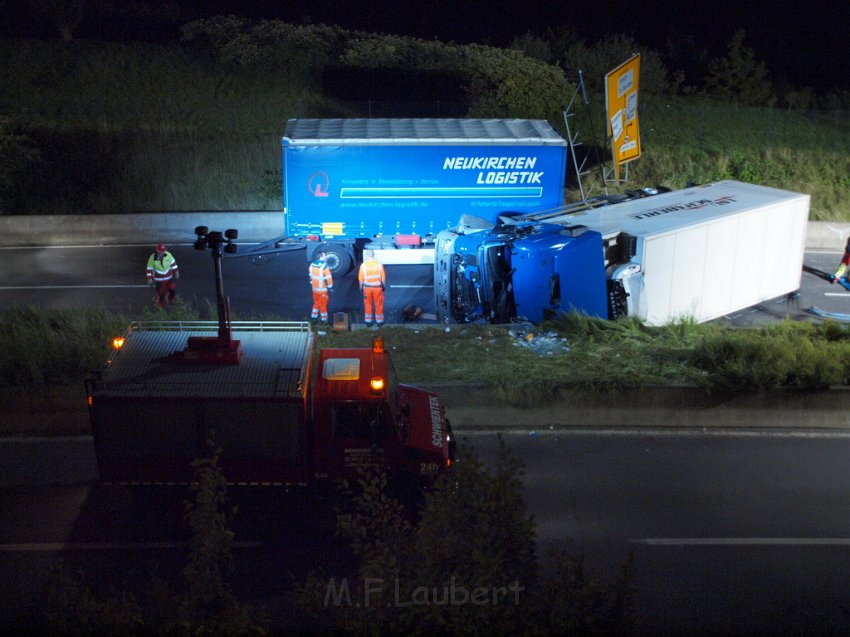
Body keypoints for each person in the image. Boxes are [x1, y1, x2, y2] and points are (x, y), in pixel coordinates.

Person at [358, 249, 386, 327]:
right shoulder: (379, 265)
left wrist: (361, 288)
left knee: (368, 304)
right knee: (379, 304)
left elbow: (361, 279)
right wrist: (383, 287)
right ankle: (379, 321)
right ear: (373, 255)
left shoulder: (363, 266)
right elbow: (383, 278)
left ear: (367, 255)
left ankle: (368, 321)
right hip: (377, 288)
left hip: (367, 288)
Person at [146, 243, 179, 309]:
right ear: (157, 251)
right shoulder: (152, 259)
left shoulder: (168, 255)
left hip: (169, 277)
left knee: (173, 289)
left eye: (164, 250)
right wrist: (149, 279)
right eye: (161, 251)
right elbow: (149, 269)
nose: (163, 252)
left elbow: (173, 263)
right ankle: (160, 305)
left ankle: (170, 299)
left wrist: (176, 271)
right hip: (159, 279)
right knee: (161, 293)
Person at [309, 250, 334, 323]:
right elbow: (329, 277)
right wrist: (330, 286)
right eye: (324, 255)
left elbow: (310, 275)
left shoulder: (312, 264)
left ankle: (313, 317)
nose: (325, 256)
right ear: (321, 257)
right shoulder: (324, 266)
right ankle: (324, 320)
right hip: (322, 290)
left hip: (314, 289)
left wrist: (312, 282)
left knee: (316, 303)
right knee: (323, 305)